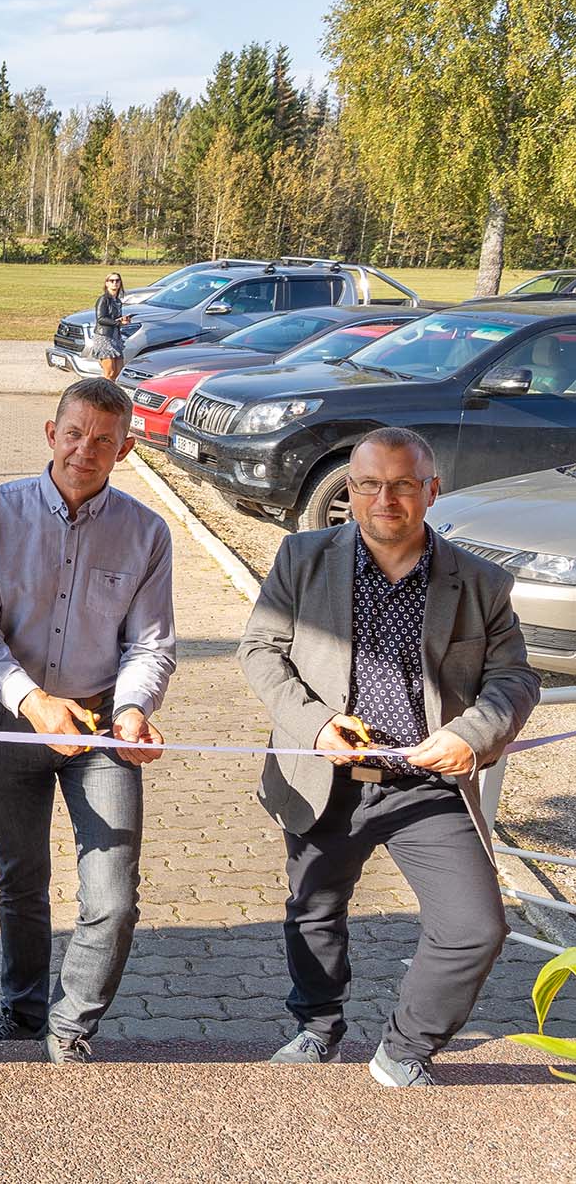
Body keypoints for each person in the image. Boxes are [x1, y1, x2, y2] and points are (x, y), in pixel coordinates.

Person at [237, 427, 539, 1088]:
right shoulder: (302, 557)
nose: (385, 497)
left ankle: (403, 1049)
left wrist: (473, 731)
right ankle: (316, 1027)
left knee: (474, 927)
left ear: (431, 490)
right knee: (313, 907)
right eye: (368, 483)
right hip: (325, 775)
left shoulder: (480, 581)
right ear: (349, 490)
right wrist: (314, 725)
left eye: (403, 483)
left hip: (424, 785)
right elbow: (260, 649)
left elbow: (514, 679)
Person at [0, 375, 175, 1063]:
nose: (85, 449)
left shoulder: (146, 531)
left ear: (126, 449)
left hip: (102, 725)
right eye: (74, 433)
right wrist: (32, 701)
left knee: (111, 892)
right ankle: (21, 1014)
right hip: (8, 715)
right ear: (51, 433)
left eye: (104, 440)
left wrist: (135, 708)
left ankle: (69, 1026)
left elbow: (150, 643)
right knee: (20, 876)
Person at [90, 273, 131, 382]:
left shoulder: (117, 301)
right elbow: (101, 319)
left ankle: (112, 395)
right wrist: (118, 323)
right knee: (110, 373)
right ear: (106, 283)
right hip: (104, 337)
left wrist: (123, 320)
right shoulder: (103, 299)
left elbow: (115, 318)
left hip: (115, 337)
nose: (115, 283)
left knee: (118, 371)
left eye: (117, 281)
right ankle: (104, 395)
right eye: (111, 281)